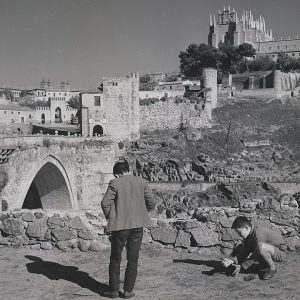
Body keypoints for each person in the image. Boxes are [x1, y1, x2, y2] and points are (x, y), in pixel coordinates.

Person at [101, 160, 156, 298]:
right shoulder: (142, 182)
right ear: (128, 170)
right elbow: (152, 202)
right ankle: (128, 291)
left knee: (115, 259)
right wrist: (143, 212)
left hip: (119, 227)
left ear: (117, 174)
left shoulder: (115, 183)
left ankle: (113, 291)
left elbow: (104, 203)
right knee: (133, 259)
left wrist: (111, 218)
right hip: (137, 225)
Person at [221, 216, 287, 280]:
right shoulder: (248, 236)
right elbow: (245, 252)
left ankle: (272, 268)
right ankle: (264, 265)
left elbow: (256, 254)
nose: (238, 235)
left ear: (246, 228)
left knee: (260, 247)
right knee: (249, 248)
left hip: (281, 253)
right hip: (270, 252)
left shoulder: (259, 233)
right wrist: (233, 261)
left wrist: (242, 267)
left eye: (239, 232)